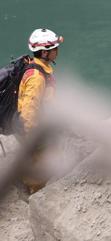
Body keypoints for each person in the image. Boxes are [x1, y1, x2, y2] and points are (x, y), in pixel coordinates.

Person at [16, 28, 63, 193]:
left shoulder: (40, 68)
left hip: (43, 126)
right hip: (34, 130)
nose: (57, 51)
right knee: (38, 168)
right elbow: (29, 110)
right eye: (54, 48)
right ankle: (35, 194)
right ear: (44, 52)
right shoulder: (37, 77)